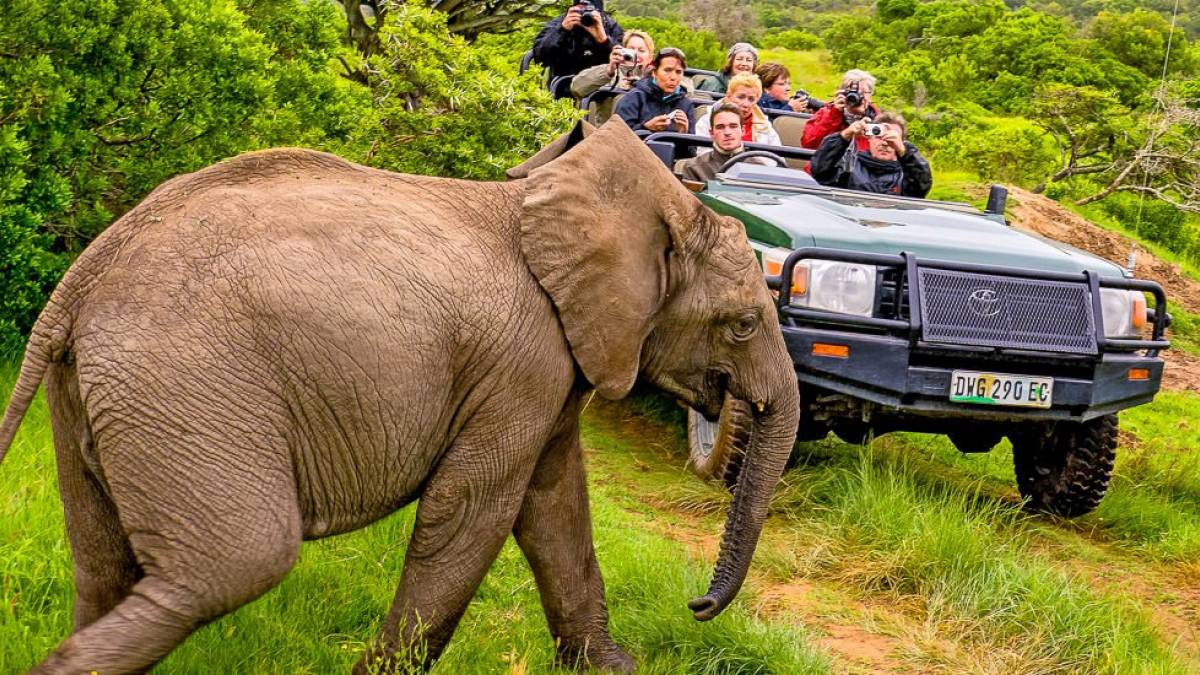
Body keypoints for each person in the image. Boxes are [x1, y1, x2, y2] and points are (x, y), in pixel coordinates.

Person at [809, 111, 932, 198]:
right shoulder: (849, 166)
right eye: (879, 136)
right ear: (869, 138)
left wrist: (905, 151)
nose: (885, 143)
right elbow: (820, 170)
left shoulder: (906, 175)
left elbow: (922, 185)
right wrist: (845, 135)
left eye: (891, 139)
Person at [570, 30, 661, 124]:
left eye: (641, 51)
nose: (635, 54)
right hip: (607, 132)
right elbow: (576, 88)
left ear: (650, 57)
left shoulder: (657, 78)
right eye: (631, 49)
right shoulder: (608, 71)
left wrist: (642, 85)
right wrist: (608, 71)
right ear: (623, 51)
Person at [531, 1, 625, 84]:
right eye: (580, 10)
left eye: (589, 10)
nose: (585, 15)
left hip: (602, 88)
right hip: (564, 85)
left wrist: (604, 41)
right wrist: (562, 30)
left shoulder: (609, 26)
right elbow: (539, 57)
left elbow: (626, 62)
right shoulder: (560, 23)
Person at [612, 48, 695, 134]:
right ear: (654, 72)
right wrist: (645, 128)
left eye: (678, 72)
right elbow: (617, 137)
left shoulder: (686, 105)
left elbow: (692, 147)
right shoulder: (634, 97)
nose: (673, 77)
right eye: (667, 70)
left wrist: (683, 134)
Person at [800, 69, 879, 151]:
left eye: (862, 93)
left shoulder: (878, 119)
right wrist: (834, 114)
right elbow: (808, 145)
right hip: (828, 162)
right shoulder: (826, 113)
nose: (857, 97)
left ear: (870, 96)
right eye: (853, 92)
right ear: (842, 93)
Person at [694, 72, 780, 146]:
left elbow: (777, 158)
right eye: (741, 97)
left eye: (751, 99)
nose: (746, 104)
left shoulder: (765, 126)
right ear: (728, 96)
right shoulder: (707, 120)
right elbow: (702, 153)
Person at [680, 102, 749, 182]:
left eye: (733, 126)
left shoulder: (759, 166)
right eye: (720, 127)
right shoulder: (694, 168)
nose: (727, 132)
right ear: (712, 133)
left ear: (743, 131)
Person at [756, 62, 824, 114]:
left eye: (789, 84)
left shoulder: (782, 103)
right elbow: (769, 124)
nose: (788, 88)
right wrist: (790, 109)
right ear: (766, 88)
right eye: (782, 84)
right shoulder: (757, 104)